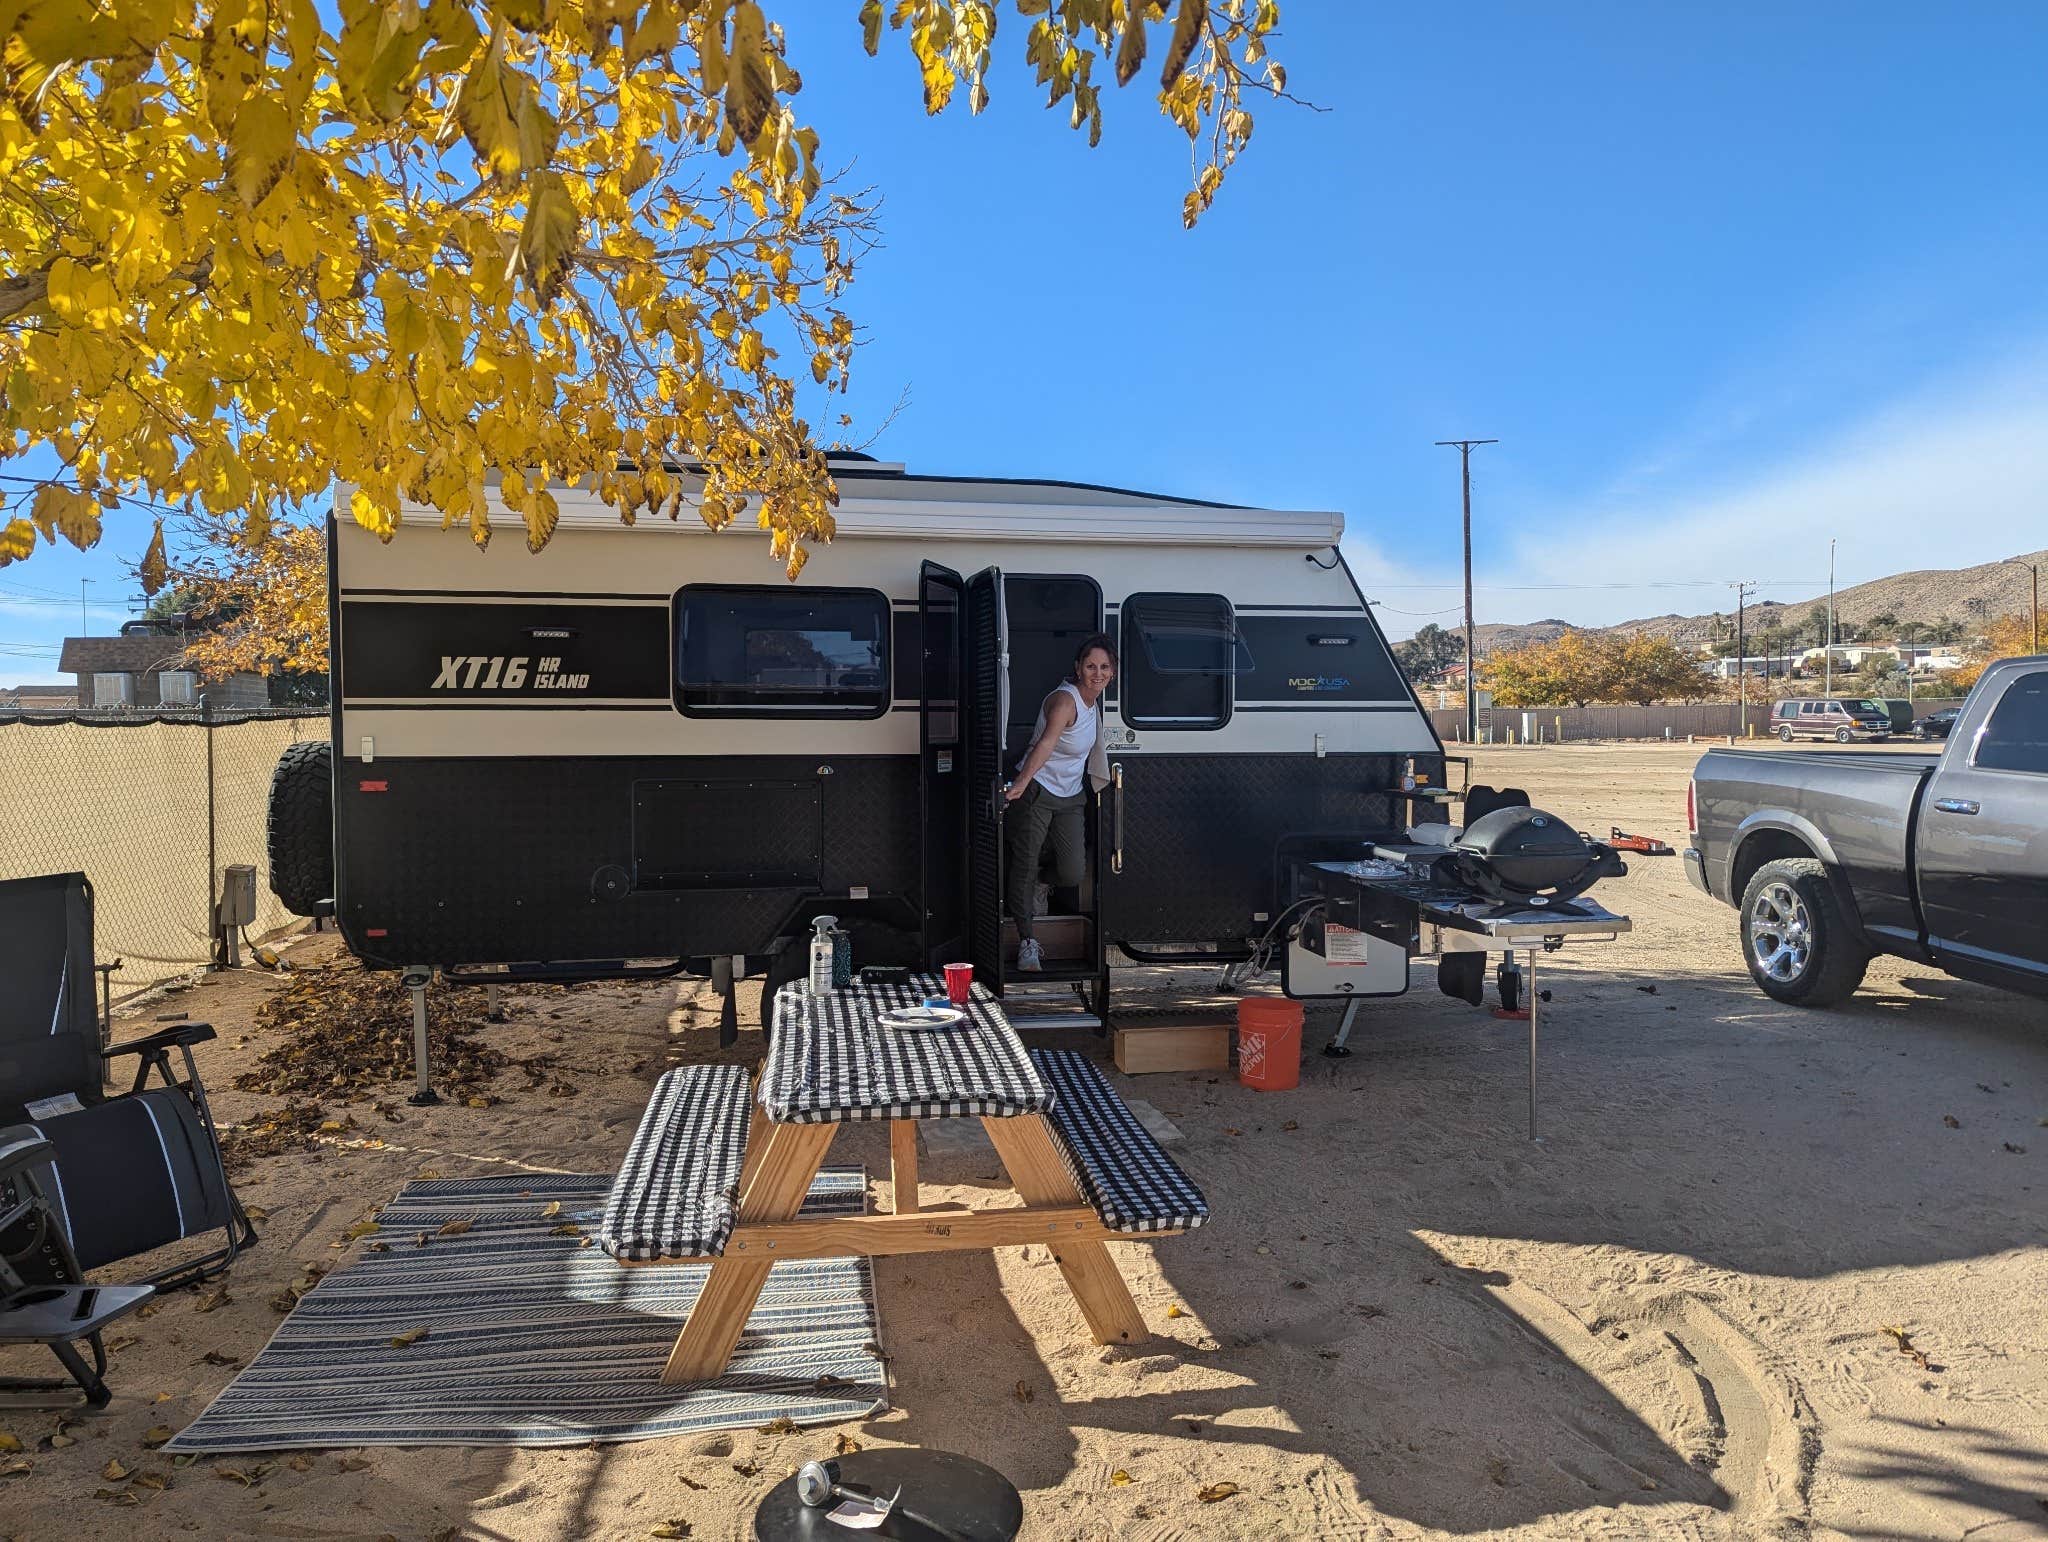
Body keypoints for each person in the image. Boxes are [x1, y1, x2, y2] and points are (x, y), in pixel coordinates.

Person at [1004, 634, 1116, 971]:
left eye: (1104, 667)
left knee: (1071, 871)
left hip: (1070, 795)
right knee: (1024, 862)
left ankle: (1042, 883)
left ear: (1112, 672)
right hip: (1038, 788)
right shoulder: (1064, 701)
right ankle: (1027, 942)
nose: (1098, 673)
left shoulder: (1094, 702)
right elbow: (1045, 744)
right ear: (1078, 668)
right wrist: (1020, 785)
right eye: (1091, 666)